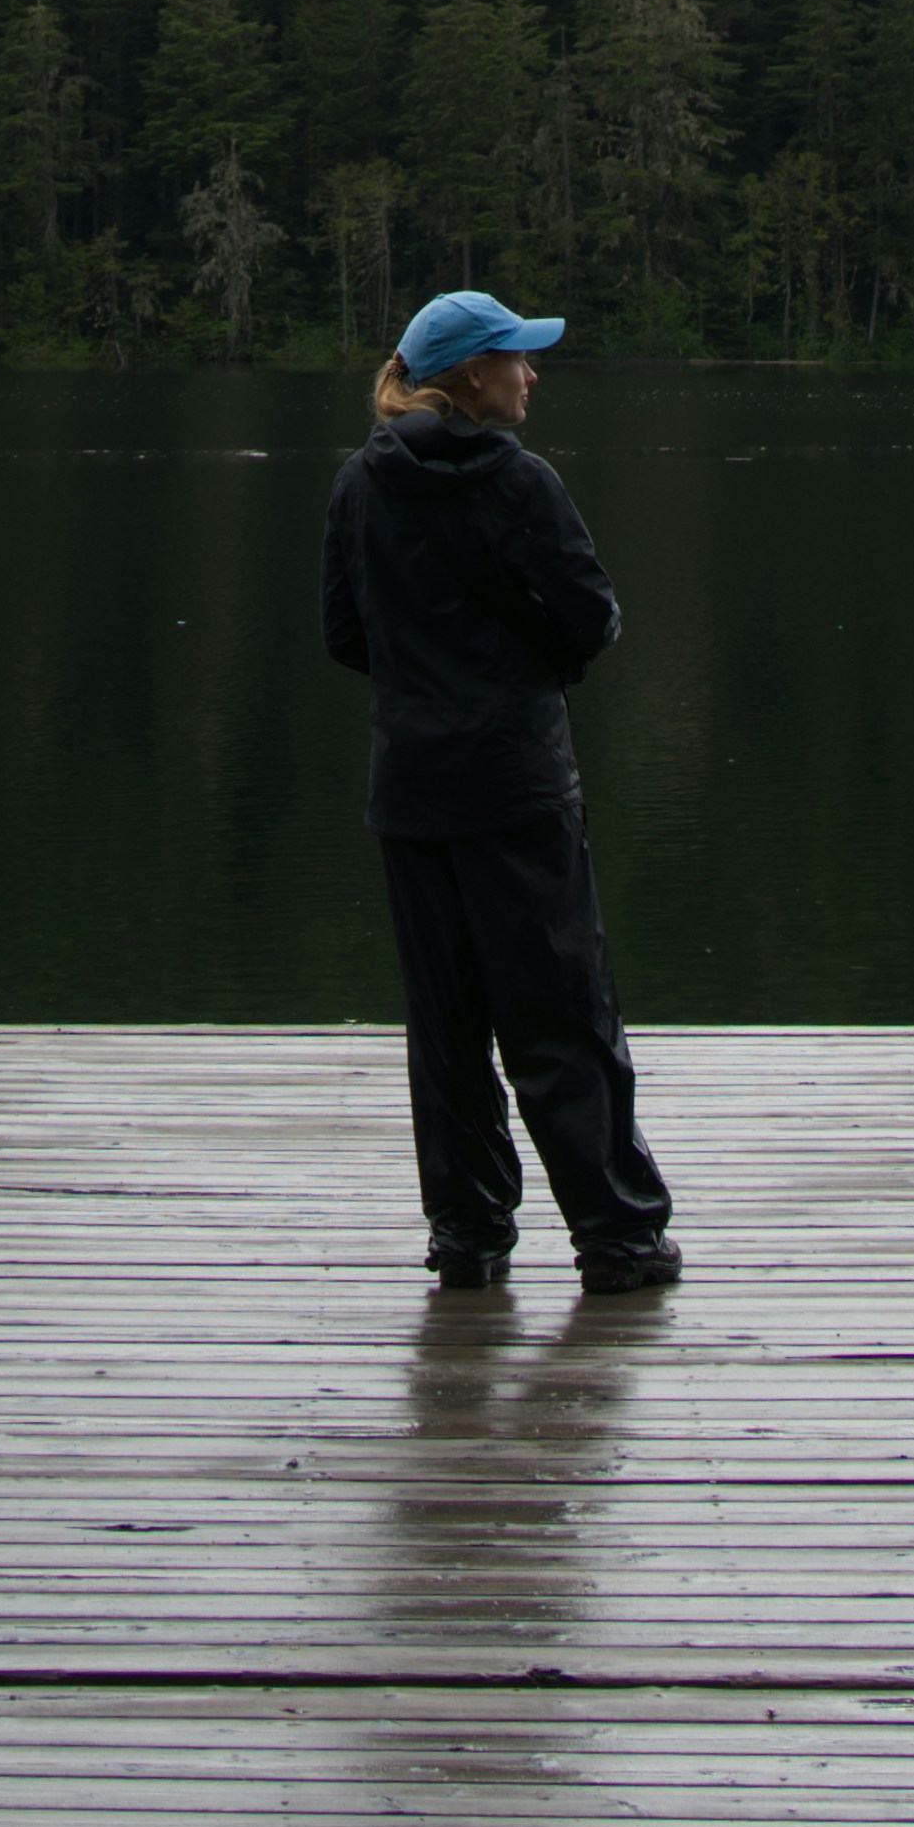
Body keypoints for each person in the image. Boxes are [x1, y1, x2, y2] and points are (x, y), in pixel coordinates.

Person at [321, 288, 680, 1295]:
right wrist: (515, 675)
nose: (531, 373)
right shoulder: (522, 485)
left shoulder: (361, 483)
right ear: (471, 376)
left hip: (413, 795)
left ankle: (468, 1239)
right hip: (517, 790)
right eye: (517, 358)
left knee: (447, 1029)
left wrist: (429, 681)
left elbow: (345, 634)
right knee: (563, 1013)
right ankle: (617, 1237)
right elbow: (590, 621)